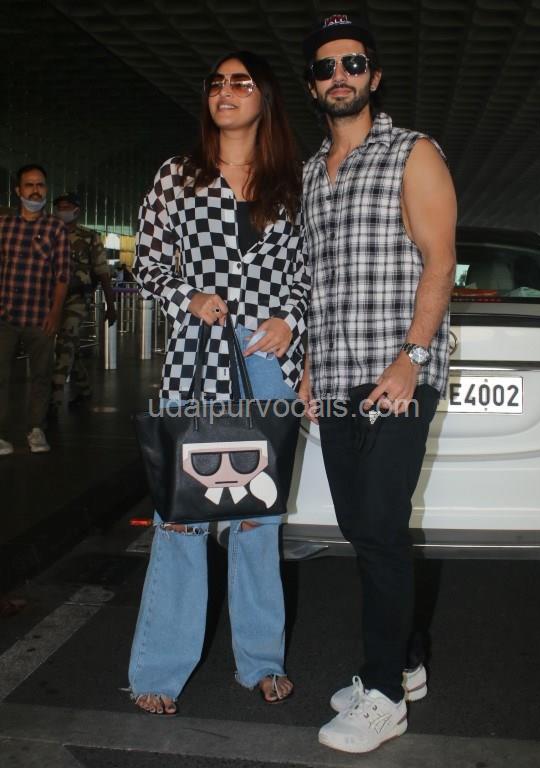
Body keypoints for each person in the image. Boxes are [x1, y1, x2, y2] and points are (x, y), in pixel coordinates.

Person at [128, 50, 309, 715]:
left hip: (266, 362)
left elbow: (312, 272)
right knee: (182, 516)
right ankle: (159, 669)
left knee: (258, 516)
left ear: (265, 97)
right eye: (216, 83)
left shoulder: (294, 180)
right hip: (196, 356)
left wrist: (290, 320)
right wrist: (189, 297)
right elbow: (148, 264)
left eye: (241, 82)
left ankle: (261, 661)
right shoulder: (178, 175)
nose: (225, 92)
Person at [299, 15, 457, 753]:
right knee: (363, 529)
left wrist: (411, 358)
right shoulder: (310, 173)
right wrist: (307, 366)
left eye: (353, 62)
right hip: (335, 375)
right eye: (326, 66)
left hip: (396, 372)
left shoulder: (411, 152)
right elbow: (315, 282)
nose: (341, 75)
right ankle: (406, 659)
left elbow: (438, 260)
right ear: (313, 86)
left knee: (383, 529)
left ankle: (384, 695)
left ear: (374, 76)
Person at [0, 164, 70, 455]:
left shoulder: (55, 228)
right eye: (29, 185)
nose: (35, 191)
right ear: (18, 191)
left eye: (40, 185)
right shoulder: (3, 226)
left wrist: (55, 312)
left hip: (40, 316)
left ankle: (36, 429)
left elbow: (62, 275)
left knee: (41, 375)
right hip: (5, 315)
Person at [51, 193, 117, 408]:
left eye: (66, 207)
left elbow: (103, 272)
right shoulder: (49, 234)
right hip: (52, 297)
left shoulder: (89, 237)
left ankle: (54, 400)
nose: (62, 210)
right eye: (59, 207)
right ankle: (85, 388)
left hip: (77, 298)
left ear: (77, 211)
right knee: (70, 346)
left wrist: (111, 305)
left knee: (64, 344)